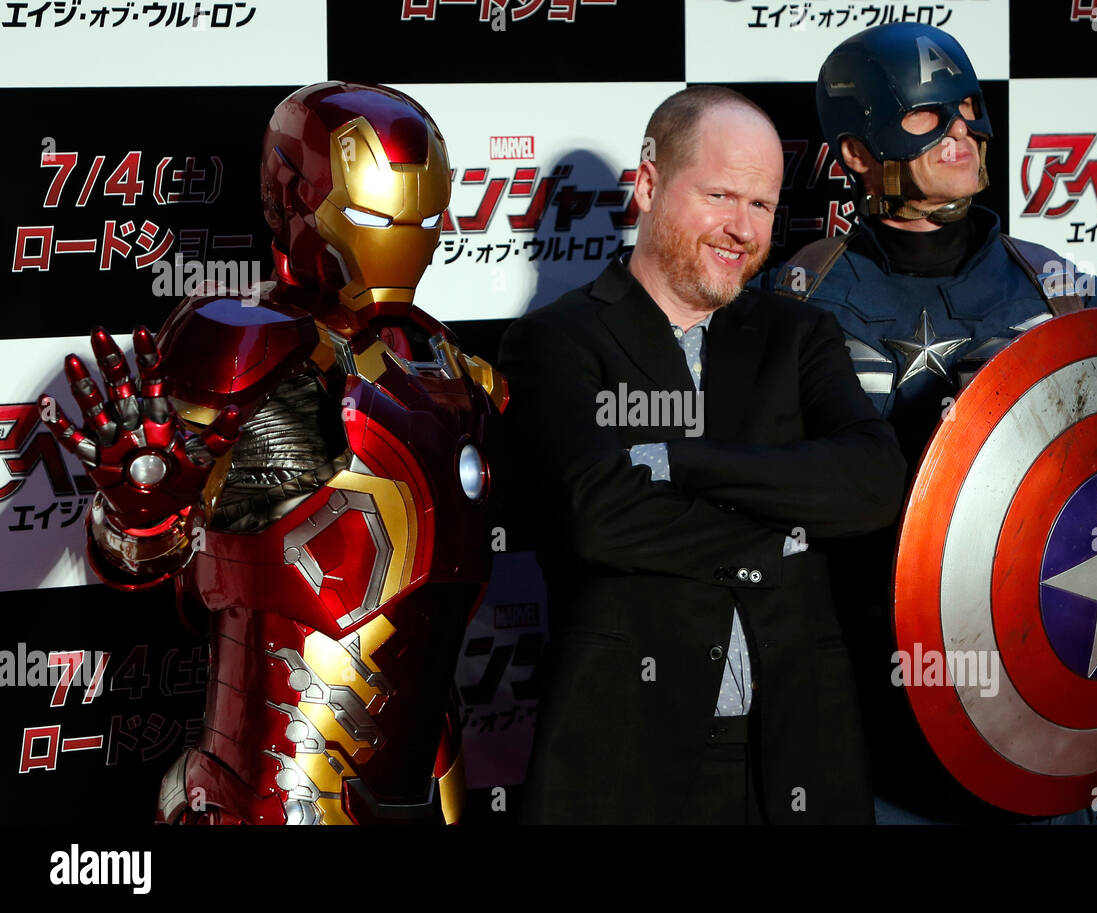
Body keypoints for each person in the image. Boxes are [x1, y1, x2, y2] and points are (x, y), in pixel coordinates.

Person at [42, 82, 505, 824]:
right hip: (275, 786)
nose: (400, 238)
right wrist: (141, 515)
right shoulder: (245, 343)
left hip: (431, 778)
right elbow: (145, 554)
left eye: (420, 219)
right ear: (292, 197)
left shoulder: (450, 366)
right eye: (370, 215)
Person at [498, 85, 908, 824]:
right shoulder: (557, 342)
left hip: (802, 756)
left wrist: (679, 460)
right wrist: (791, 526)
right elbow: (600, 520)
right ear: (650, 184)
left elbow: (874, 486)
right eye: (721, 195)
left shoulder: (798, 336)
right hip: (627, 759)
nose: (742, 229)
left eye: (761, 205)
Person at [757, 23, 1097, 825]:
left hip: (1046, 717)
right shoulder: (787, 308)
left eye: (968, 109)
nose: (961, 131)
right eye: (927, 117)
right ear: (858, 153)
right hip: (863, 728)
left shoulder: (1066, 295)